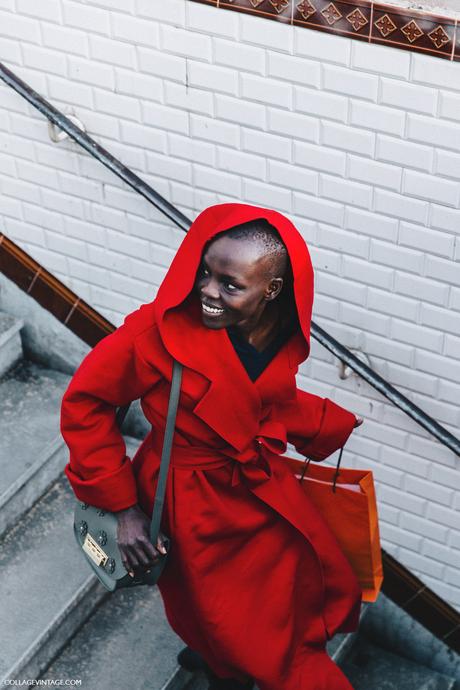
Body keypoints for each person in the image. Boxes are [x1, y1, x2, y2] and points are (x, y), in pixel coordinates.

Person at [60, 203, 364, 690]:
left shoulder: (273, 335)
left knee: (288, 593)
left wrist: (328, 423)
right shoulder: (152, 334)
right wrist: (121, 507)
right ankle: (231, 668)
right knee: (233, 622)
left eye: (230, 284)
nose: (207, 291)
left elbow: (260, 401)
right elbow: (85, 404)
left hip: (255, 489)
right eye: (205, 273)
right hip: (188, 503)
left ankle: (223, 662)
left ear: (272, 291)